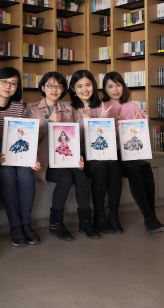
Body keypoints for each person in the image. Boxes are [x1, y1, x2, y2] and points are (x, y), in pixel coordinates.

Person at [27, 71, 99, 241]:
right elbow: (30, 139)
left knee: (80, 177)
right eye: (50, 86)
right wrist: (48, 122)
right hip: (44, 161)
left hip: (64, 158)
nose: (55, 89)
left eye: (59, 86)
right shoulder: (32, 108)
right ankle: (55, 223)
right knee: (65, 177)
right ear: (43, 87)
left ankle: (85, 222)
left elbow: (73, 138)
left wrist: (78, 157)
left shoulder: (67, 109)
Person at [0, 67, 41, 247]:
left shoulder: (19, 107)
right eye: (4, 81)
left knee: (26, 175)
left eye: (13, 83)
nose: (8, 86)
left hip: (18, 156)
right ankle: (15, 225)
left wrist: (32, 158)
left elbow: (26, 136)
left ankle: (26, 224)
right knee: (7, 175)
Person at [102, 71, 164, 233]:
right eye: (110, 86)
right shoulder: (102, 107)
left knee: (145, 167)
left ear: (123, 86)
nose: (115, 89)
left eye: (118, 85)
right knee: (135, 170)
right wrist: (112, 122)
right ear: (105, 89)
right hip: (114, 153)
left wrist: (141, 120)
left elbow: (138, 132)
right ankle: (149, 216)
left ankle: (151, 215)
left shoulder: (131, 106)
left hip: (131, 151)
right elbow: (101, 134)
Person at [69, 69, 123, 234]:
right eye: (79, 86)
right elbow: (69, 140)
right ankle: (99, 216)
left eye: (88, 85)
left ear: (93, 86)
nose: (84, 89)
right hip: (81, 155)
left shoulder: (102, 107)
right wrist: (85, 123)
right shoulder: (69, 109)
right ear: (73, 88)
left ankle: (113, 215)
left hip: (102, 152)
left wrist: (108, 123)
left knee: (114, 166)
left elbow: (109, 139)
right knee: (100, 168)